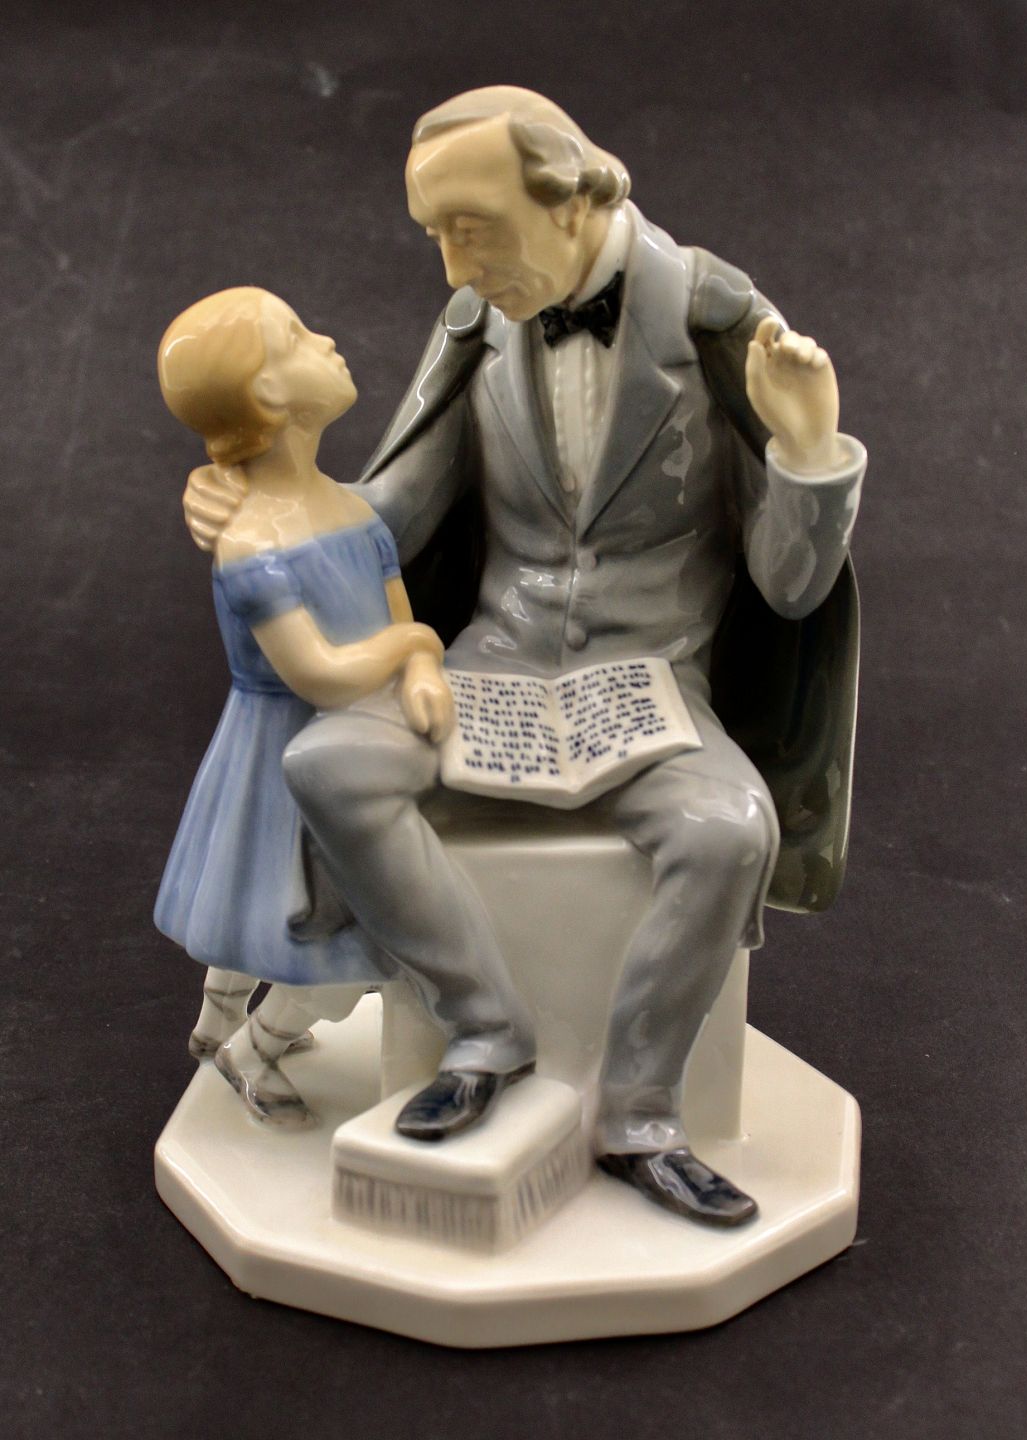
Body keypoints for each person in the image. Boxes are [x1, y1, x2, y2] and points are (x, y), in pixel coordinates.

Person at [183, 88, 865, 1227]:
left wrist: (807, 446)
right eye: (436, 236)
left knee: (726, 830)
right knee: (330, 766)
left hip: (653, 680)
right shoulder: (479, 324)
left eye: (474, 229)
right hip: (492, 665)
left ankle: (639, 1112)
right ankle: (483, 1027)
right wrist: (266, 502)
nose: (455, 268)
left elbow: (790, 585)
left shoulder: (714, 321)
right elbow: (393, 510)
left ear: (574, 198)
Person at [157, 286, 458, 1126]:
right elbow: (319, 674)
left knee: (271, 913)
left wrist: (420, 665)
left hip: (350, 744)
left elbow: (397, 623)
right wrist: (416, 646)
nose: (326, 338)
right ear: (268, 394)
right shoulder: (254, 543)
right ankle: (250, 1046)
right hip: (287, 753)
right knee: (325, 928)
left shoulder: (355, 512)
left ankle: (222, 1020)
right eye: (296, 336)